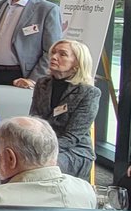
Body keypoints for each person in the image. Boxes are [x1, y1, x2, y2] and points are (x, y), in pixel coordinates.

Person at [30, 39, 101, 178]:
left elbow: (71, 137)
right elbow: (35, 120)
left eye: (62, 54)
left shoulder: (89, 93)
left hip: (73, 151)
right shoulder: (42, 83)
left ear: (77, 63)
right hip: (41, 145)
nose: (54, 57)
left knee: (39, 169)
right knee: (7, 161)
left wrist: (42, 150)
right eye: (54, 53)